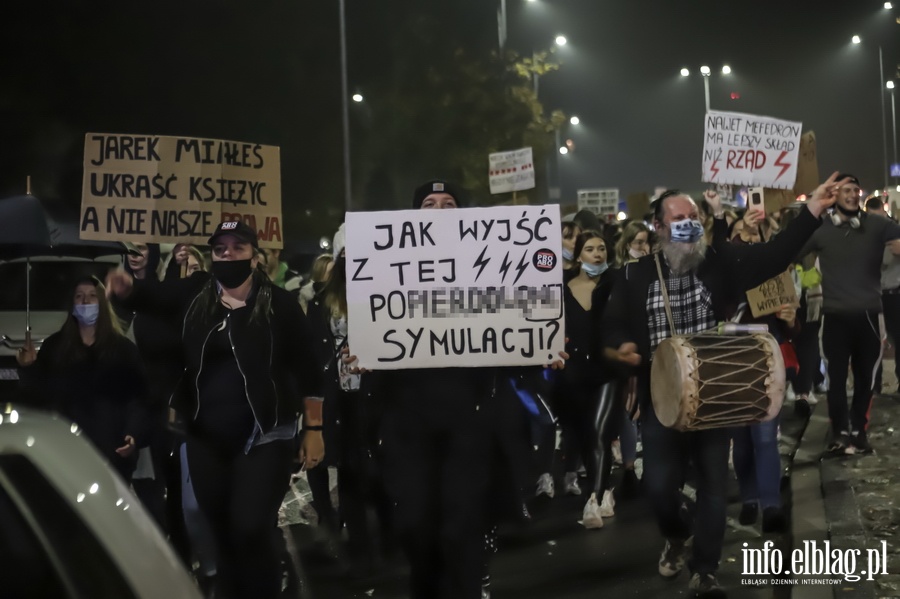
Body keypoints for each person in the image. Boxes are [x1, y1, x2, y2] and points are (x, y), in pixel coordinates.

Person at [602, 176, 841, 598]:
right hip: (661, 401)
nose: (689, 223)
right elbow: (615, 322)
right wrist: (622, 347)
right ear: (658, 227)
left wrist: (813, 211)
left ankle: (706, 569)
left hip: (716, 395)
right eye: (679, 218)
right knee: (658, 485)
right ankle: (677, 534)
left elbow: (774, 255)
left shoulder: (719, 261)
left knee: (714, 484)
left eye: (694, 217)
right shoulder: (635, 275)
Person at [365, 180, 563, 599]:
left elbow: (510, 336)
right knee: (416, 526)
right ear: (413, 217)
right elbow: (374, 342)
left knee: (462, 526)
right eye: (429, 204)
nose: (438, 210)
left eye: (449, 203)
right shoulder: (386, 271)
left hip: (470, 424)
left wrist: (540, 347)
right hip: (409, 425)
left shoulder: (490, 272)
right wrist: (360, 357)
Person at [105, 221, 324, 599]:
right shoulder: (196, 294)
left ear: (255, 257)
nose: (228, 256)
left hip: (265, 435)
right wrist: (127, 289)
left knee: (251, 526)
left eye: (237, 248)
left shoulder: (281, 305)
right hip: (206, 438)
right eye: (220, 249)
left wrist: (315, 430)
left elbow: (309, 369)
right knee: (221, 531)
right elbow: (153, 298)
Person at [798, 174, 900, 454]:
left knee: (866, 378)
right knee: (836, 377)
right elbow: (793, 250)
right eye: (847, 190)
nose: (853, 194)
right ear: (835, 193)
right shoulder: (821, 231)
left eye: (856, 189)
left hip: (869, 316)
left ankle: (858, 430)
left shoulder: (878, 225)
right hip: (834, 317)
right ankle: (840, 432)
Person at [17, 277, 148, 481]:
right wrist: (29, 368)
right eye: (79, 297)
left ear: (102, 304)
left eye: (92, 296)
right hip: (65, 452)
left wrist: (133, 433)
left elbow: (138, 399)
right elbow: (39, 397)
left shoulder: (123, 350)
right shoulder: (55, 347)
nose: (85, 302)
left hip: (110, 454)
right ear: (72, 305)